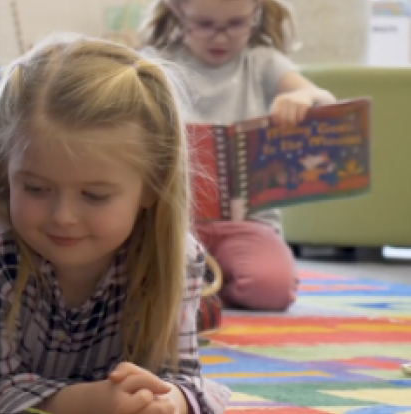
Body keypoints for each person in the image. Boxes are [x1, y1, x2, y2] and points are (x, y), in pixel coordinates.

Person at [0, 34, 232, 414]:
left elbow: (186, 379)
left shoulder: (175, 256)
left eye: (95, 195)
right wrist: (82, 403)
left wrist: (170, 402)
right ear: (5, 173)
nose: (63, 216)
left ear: (152, 188)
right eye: (35, 188)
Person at [140, 0, 336, 311]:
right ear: (178, 10)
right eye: (205, 24)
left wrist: (304, 97)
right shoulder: (156, 65)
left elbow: (325, 101)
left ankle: (207, 283)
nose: (220, 38)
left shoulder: (262, 62)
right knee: (141, 283)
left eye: (236, 24)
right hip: (173, 221)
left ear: (256, 13)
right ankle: (199, 281)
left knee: (271, 289)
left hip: (249, 223)